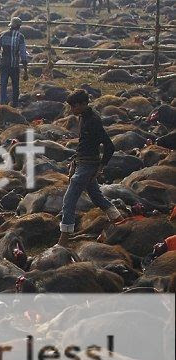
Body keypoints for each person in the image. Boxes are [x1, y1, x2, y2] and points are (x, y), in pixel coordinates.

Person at [58, 89, 122, 246]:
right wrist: (74, 161)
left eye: (73, 106)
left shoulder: (94, 120)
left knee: (69, 200)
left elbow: (109, 146)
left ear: (82, 104)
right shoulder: (83, 118)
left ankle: (64, 238)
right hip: (82, 163)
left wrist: (100, 166)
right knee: (96, 196)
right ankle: (118, 219)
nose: (71, 109)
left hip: (88, 166)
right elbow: (83, 144)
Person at [0, 16, 29, 107]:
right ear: (19, 26)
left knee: (3, 84)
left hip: (4, 64)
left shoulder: (2, 35)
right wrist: (25, 70)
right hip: (14, 64)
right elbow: (23, 54)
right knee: (15, 85)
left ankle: (2, 104)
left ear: (11, 25)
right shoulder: (20, 37)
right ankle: (15, 104)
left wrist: (0, 62)